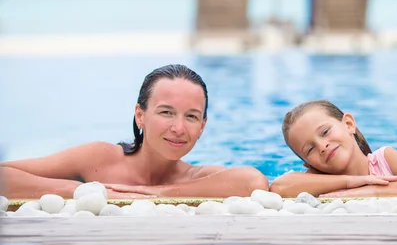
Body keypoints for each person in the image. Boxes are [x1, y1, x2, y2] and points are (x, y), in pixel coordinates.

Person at [0, 64, 268, 199]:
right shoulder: (99, 158)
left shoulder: (197, 178)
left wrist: (161, 194)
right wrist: (85, 191)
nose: (178, 128)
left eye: (191, 116)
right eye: (166, 112)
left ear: (202, 127)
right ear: (140, 115)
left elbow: (253, 181)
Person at [270, 100, 397, 197]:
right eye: (310, 150)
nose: (322, 146)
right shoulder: (318, 181)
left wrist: (373, 190)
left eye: (325, 132)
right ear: (307, 163)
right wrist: (349, 182)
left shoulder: (384, 160)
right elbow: (279, 187)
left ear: (349, 124)